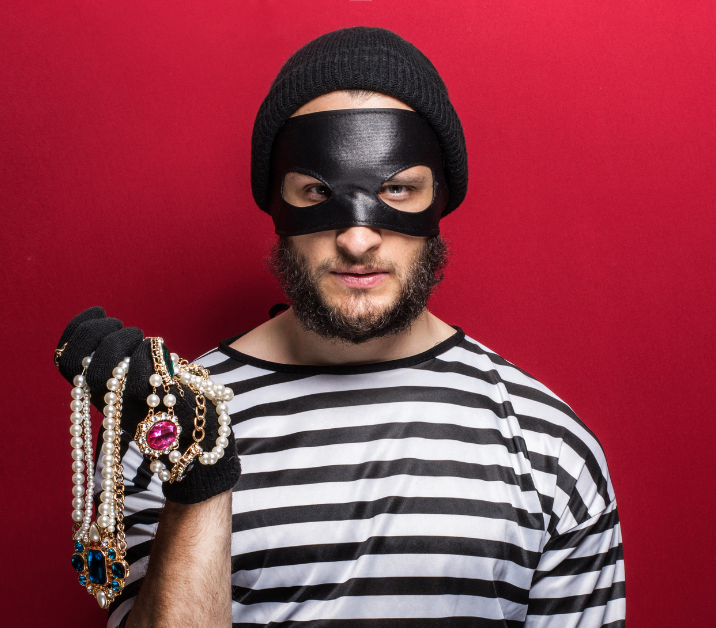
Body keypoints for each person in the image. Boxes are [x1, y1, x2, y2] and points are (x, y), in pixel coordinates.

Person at [55, 26, 624, 628]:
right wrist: (200, 481)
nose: (357, 238)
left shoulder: (550, 449)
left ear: (440, 197)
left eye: (397, 189)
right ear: (275, 202)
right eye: (318, 191)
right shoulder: (171, 428)